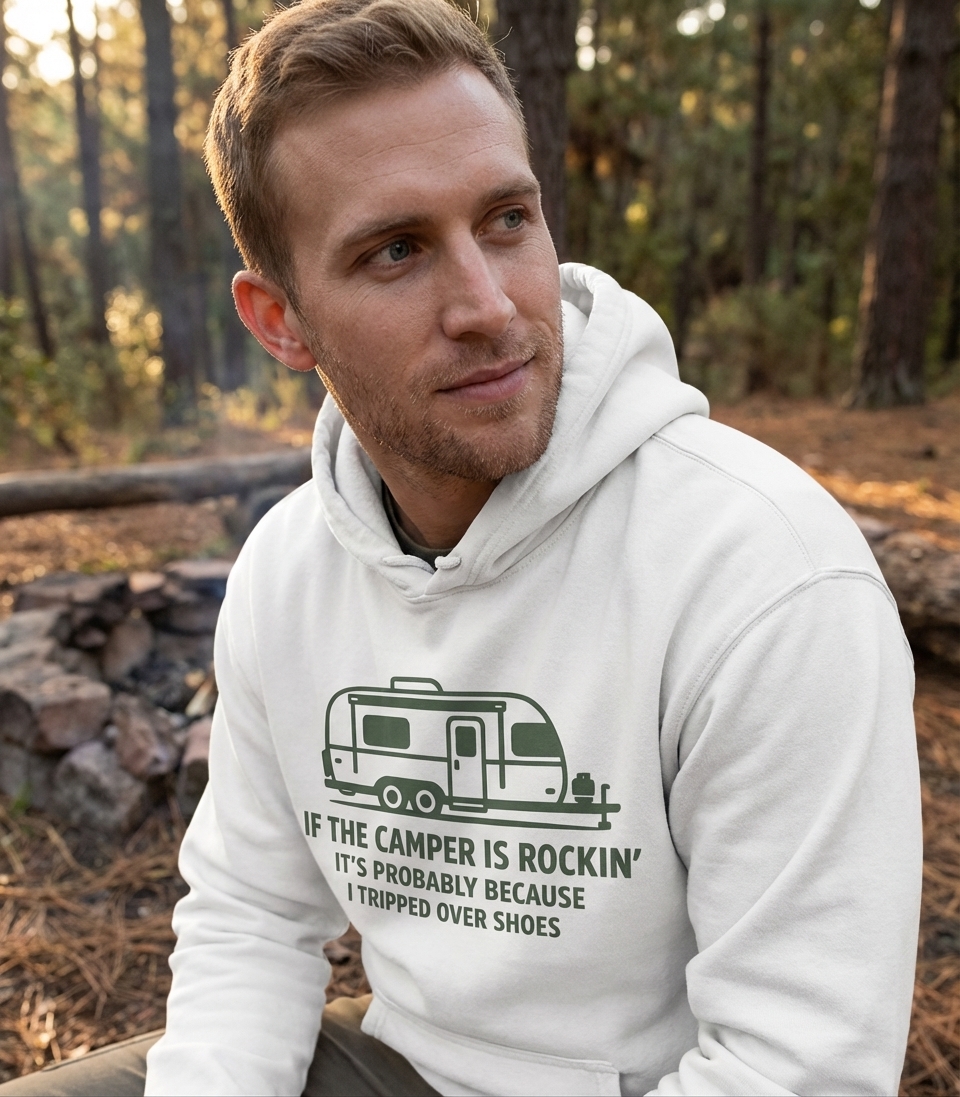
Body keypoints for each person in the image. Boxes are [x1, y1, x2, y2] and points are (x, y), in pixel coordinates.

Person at [0, 1, 922, 1094]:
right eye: (397, 250)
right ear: (280, 320)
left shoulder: (764, 570)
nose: (487, 305)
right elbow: (251, 917)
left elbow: (799, 1066)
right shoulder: (288, 571)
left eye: (506, 219)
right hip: (400, 1062)